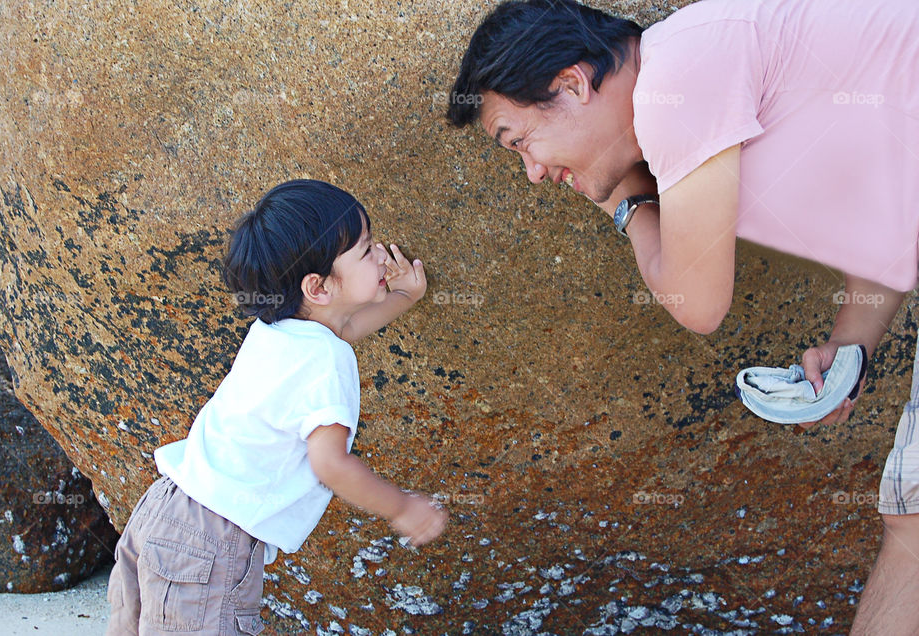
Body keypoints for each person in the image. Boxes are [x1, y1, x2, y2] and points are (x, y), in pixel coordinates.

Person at [446, 0, 919, 633]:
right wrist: (851, 344)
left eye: (521, 141)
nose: (532, 174)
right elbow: (887, 204)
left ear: (572, 84)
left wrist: (626, 204)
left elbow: (699, 305)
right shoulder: (694, 76)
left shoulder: (675, 78)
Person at [105, 180, 447, 635]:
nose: (383, 255)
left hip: (162, 510)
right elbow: (330, 464)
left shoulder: (277, 331)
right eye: (367, 251)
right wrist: (401, 507)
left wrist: (403, 296)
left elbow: (343, 328)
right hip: (210, 539)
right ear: (318, 287)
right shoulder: (327, 359)